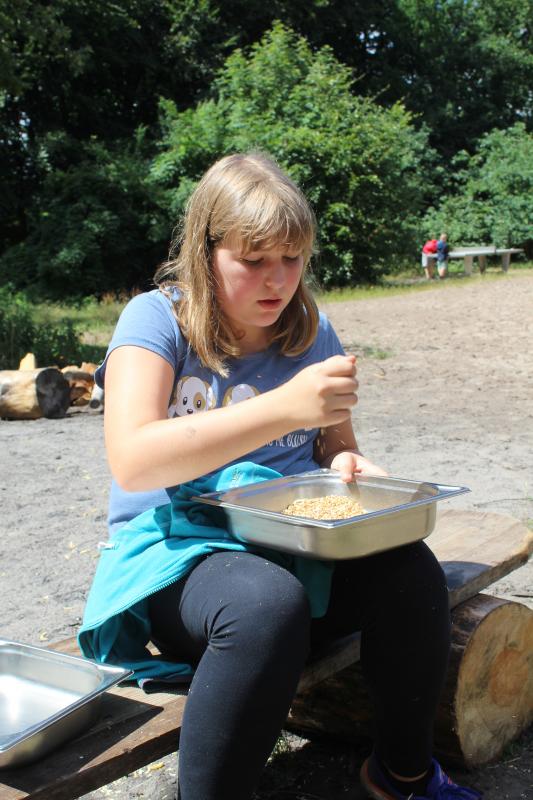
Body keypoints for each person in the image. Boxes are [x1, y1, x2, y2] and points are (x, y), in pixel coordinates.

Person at [78, 153, 481, 800]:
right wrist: (283, 408)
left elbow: (337, 451)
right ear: (206, 252)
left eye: (291, 259)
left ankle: (402, 775)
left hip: (296, 550)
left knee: (411, 572)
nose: (277, 280)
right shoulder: (156, 321)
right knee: (266, 605)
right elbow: (133, 458)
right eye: (253, 259)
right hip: (180, 557)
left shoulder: (312, 332)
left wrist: (350, 467)